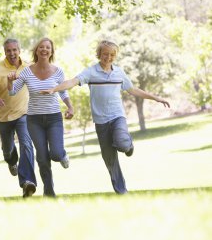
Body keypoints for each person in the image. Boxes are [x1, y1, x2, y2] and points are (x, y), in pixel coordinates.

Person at [41, 39, 170, 194]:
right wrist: (54, 89)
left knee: (122, 143)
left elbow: (133, 90)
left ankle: (128, 146)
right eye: (105, 54)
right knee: (110, 159)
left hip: (117, 116)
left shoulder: (119, 72)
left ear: (115, 56)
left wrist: (156, 98)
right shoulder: (91, 72)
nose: (108, 57)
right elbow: (72, 82)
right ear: (99, 54)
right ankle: (122, 191)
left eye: (111, 55)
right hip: (101, 122)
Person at [7, 37, 74, 197]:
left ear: (51, 52)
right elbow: (12, 91)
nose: (44, 50)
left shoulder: (58, 71)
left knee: (56, 153)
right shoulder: (27, 72)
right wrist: (9, 81)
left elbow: (63, 91)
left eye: (48, 48)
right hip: (34, 120)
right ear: (36, 50)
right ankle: (49, 191)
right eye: (41, 47)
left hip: (54, 118)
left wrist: (70, 106)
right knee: (42, 157)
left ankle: (63, 154)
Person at [0, 39, 37, 198]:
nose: (12, 53)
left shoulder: (28, 67)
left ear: (19, 50)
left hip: (23, 113)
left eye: (14, 50)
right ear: (5, 52)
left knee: (26, 143)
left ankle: (27, 182)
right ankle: (11, 161)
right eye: (8, 51)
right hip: (3, 117)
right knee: (8, 149)